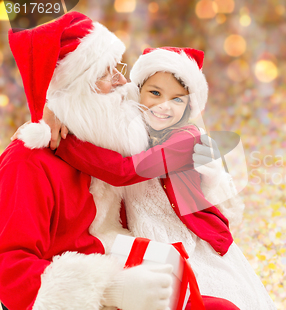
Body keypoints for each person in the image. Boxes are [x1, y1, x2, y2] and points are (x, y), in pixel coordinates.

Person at [0, 11, 226, 310]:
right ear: (77, 87)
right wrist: (108, 291)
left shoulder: (110, 139)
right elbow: (9, 268)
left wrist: (54, 108)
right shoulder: (29, 161)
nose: (123, 81)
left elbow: (125, 155)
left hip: (130, 256)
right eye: (107, 72)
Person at [52, 46, 277, 309]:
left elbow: (124, 171)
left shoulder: (186, 139)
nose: (163, 106)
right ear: (138, 91)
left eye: (177, 99)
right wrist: (57, 112)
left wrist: (64, 143)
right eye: (155, 93)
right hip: (145, 237)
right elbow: (96, 112)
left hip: (188, 239)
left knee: (206, 296)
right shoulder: (131, 130)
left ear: (189, 106)